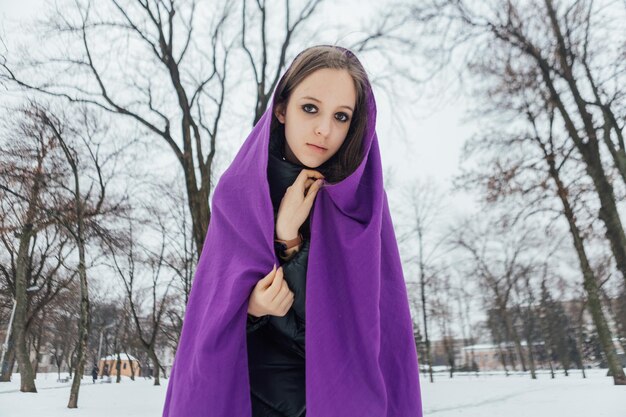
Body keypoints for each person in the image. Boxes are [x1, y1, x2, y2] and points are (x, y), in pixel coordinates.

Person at [162, 44, 423, 417]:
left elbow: (354, 333)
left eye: (342, 116)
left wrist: (289, 241)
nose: (324, 129)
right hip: (249, 399)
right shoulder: (236, 193)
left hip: (340, 401)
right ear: (282, 108)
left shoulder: (362, 205)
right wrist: (249, 308)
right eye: (310, 108)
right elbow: (209, 326)